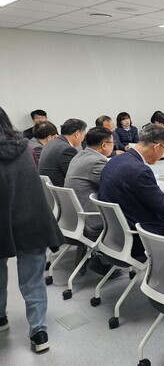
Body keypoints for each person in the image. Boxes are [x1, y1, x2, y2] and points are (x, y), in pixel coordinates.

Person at [0, 106, 65, 353]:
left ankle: (0, 318)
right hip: (32, 218)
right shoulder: (25, 146)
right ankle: (39, 332)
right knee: (33, 279)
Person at [98, 124, 164, 256]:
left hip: (117, 234)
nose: (162, 154)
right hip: (140, 236)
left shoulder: (115, 160)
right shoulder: (140, 170)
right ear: (157, 147)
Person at [64, 127, 121, 277]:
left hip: (75, 216)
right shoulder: (95, 162)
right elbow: (116, 188)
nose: (113, 146)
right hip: (91, 218)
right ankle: (107, 259)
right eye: (112, 143)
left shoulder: (81, 155)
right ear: (104, 145)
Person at [38, 118, 87, 187]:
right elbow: (75, 176)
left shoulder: (51, 143)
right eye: (83, 135)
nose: (83, 138)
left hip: (48, 190)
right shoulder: (67, 150)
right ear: (77, 133)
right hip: (61, 191)